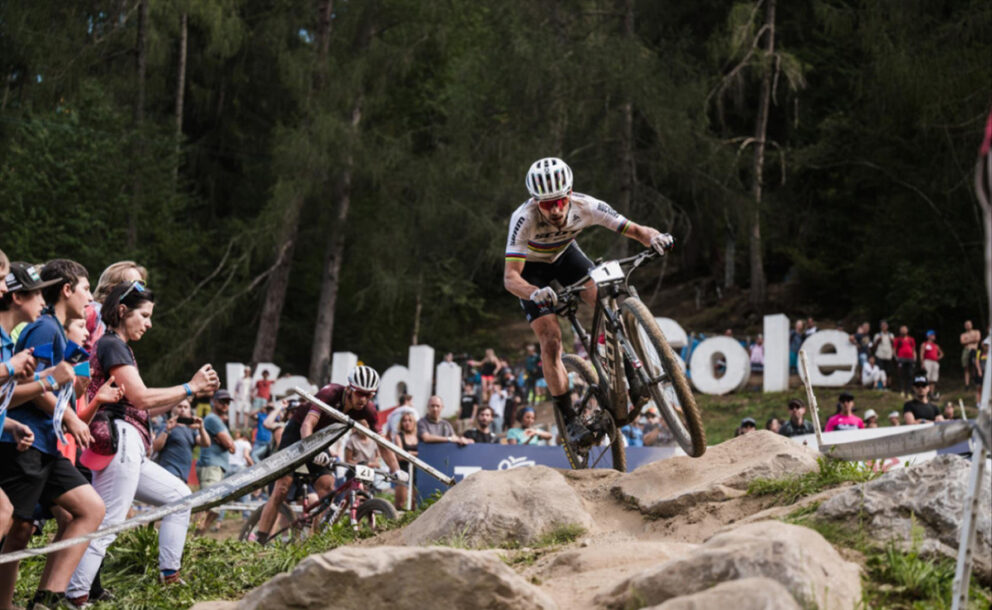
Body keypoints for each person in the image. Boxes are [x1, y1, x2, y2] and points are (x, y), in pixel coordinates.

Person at [66, 280, 220, 604]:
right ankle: (75, 595)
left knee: (179, 495)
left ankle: (170, 576)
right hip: (121, 442)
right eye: (145, 315)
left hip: (129, 445)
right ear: (123, 311)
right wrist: (190, 387)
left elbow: (144, 403)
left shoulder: (119, 346)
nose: (149, 323)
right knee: (108, 523)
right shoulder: (112, 344)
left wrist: (190, 391)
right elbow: (141, 397)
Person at [503, 157, 674, 447]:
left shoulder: (587, 205)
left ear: (570, 194)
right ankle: (570, 419)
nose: (555, 209)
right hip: (532, 271)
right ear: (535, 201)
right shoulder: (524, 219)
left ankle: (631, 374)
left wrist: (655, 237)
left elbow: (635, 230)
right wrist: (533, 292)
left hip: (566, 257)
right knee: (551, 340)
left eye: (560, 200)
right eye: (546, 204)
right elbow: (510, 277)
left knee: (605, 299)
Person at [0, 260, 108, 610]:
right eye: (86, 289)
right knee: (14, 527)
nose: (90, 299)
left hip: (44, 443)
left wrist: (77, 363)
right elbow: (31, 386)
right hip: (26, 444)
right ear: (66, 290)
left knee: (88, 509)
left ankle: (48, 599)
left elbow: (68, 388)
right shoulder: (45, 328)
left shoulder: (58, 331)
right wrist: (70, 420)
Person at [254, 366, 406, 544]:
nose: (363, 399)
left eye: (369, 395)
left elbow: (382, 442)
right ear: (349, 388)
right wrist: (313, 452)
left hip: (320, 441)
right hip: (297, 435)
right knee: (282, 488)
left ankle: (314, 539)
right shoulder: (330, 393)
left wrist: (396, 469)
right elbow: (307, 425)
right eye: (360, 393)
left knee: (327, 485)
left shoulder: (368, 409)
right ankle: (260, 539)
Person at [195, 389, 237, 535]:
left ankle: (197, 537)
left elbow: (232, 447)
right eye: (222, 401)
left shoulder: (220, 422)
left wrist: (228, 443)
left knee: (214, 510)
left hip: (218, 467)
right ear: (214, 401)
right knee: (208, 506)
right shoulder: (213, 419)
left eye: (228, 402)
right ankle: (193, 539)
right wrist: (227, 443)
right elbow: (229, 444)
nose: (225, 404)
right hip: (210, 466)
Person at [83, 261, 147, 354]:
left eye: (141, 286)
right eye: (135, 286)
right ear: (112, 289)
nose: (140, 293)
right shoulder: (93, 312)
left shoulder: (113, 321)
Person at [152, 400, 209, 483]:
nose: (183, 409)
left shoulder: (191, 429)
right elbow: (156, 447)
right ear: (172, 409)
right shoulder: (166, 425)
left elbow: (206, 443)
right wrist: (167, 430)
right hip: (169, 472)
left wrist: (201, 428)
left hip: (183, 475)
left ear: (189, 410)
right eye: (179, 406)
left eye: (186, 407)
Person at [390, 411, 419, 509]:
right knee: (400, 503)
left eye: (410, 420)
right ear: (401, 423)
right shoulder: (399, 436)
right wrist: (415, 454)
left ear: (414, 422)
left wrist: (410, 454)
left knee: (414, 503)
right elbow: (400, 456)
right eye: (404, 420)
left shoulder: (418, 437)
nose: (407, 423)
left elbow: (425, 453)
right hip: (403, 471)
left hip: (417, 472)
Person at [893, 325, 917, 398]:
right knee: (901, 374)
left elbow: (914, 349)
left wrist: (915, 357)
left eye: (904, 329)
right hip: (901, 359)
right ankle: (902, 390)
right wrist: (896, 357)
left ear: (907, 331)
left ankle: (909, 391)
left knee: (910, 375)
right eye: (902, 329)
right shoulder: (897, 339)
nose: (903, 331)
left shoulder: (911, 339)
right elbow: (894, 350)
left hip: (910, 359)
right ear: (900, 331)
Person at [919, 330, 943, 397]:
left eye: (934, 335)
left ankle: (931, 394)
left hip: (935, 362)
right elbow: (921, 354)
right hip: (927, 362)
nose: (934, 336)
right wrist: (922, 363)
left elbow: (941, 354)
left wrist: (937, 358)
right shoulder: (924, 344)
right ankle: (924, 393)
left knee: (933, 379)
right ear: (928, 336)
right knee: (926, 378)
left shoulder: (936, 346)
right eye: (932, 335)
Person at [872, 320, 895, 388]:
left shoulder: (891, 335)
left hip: (888, 355)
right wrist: (878, 340)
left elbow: (894, 345)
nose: (884, 327)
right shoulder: (877, 335)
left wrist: (892, 341)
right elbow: (874, 346)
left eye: (885, 325)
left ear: (887, 326)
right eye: (882, 326)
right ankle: (880, 386)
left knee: (889, 372)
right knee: (880, 371)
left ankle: (888, 385)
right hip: (880, 355)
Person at [960, 320, 981, 389]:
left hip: (974, 350)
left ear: (972, 325)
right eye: (966, 324)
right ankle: (967, 385)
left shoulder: (976, 332)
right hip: (966, 351)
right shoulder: (963, 334)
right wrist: (972, 339)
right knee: (966, 367)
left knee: (975, 365)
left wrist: (967, 341)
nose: (968, 326)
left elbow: (977, 339)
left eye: (969, 324)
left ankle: (976, 381)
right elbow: (962, 342)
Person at [234, 366, 253, 430]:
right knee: (238, 412)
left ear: (249, 372)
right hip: (240, 398)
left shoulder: (251, 380)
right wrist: (235, 397)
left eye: (247, 371)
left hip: (247, 399)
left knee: (246, 413)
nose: (246, 372)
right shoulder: (240, 379)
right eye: (245, 371)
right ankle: (237, 426)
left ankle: (245, 427)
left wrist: (252, 397)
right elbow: (236, 389)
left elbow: (252, 390)